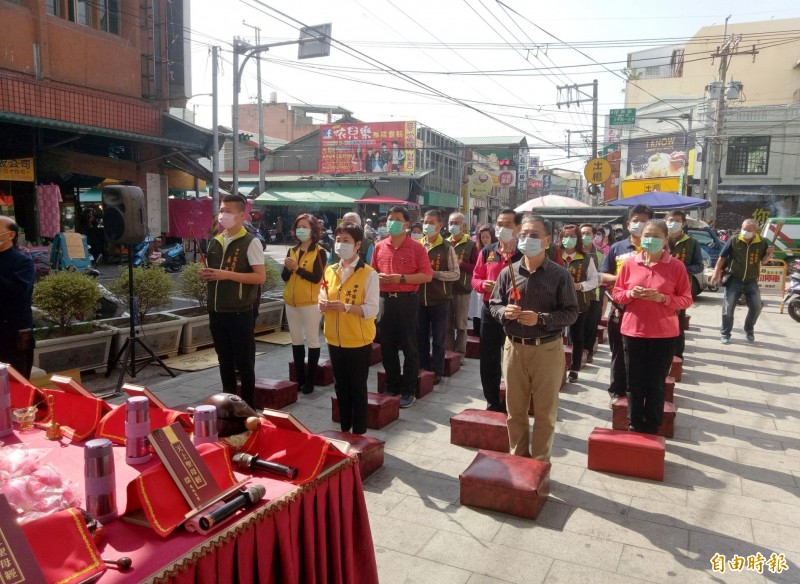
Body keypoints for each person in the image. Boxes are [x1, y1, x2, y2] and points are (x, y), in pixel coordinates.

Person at [489, 214, 579, 460]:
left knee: (544, 413)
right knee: (514, 411)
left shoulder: (560, 275)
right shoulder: (508, 272)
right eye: (524, 234)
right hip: (514, 349)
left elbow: (571, 313)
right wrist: (504, 312)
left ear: (547, 241)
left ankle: (540, 463)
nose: (527, 239)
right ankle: (518, 458)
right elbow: (494, 304)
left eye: (534, 235)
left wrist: (542, 319)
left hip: (546, 350)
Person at [612, 219, 693, 433]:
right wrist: (630, 294)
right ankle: (634, 422)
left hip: (664, 334)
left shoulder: (676, 266)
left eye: (656, 236)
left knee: (656, 382)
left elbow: (686, 299)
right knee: (634, 381)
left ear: (666, 240)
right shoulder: (630, 263)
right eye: (647, 235)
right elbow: (617, 293)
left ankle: (653, 424)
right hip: (633, 331)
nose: (650, 240)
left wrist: (662, 298)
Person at [201, 194, 266, 408]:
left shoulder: (251, 241)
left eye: (228, 211)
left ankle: (248, 407)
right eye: (221, 210)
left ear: (240, 214)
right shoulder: (215, 241)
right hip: (216, 310)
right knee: (224, 361)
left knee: (244, 362)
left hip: (240, 311)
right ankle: (228, 405)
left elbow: (259, 277)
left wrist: (224, 274)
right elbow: (216, 274)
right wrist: (209, 275)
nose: (223, 215)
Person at [319, 222, 380, 434]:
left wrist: (345, 307)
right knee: (340, 387)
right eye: (338, 240)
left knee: (357, 388)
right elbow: (323, 295)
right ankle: (345, 429)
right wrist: (322, 305)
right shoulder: (330, 270)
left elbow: (372, 309)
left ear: (358, 245)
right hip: (333, 338)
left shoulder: (368, 274)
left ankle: (359, 433)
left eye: (346, 241)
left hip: (358, 340)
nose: (341, 245)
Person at [371, 206, 433, 408]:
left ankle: (408, 390)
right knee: (387, 346)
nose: (392, 222)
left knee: (409, 347)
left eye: (397, 219)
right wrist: (377, 278)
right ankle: (392, 386)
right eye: (390, 219)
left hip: (407, 300)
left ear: (406, 224)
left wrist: (401, 278)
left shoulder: (417, 248)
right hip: (384, 300)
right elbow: (371, 272)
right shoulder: (379, 246)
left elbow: (426, 275)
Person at [601, 204, 654, 404]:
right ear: (628, 223)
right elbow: (603, 275)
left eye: (644, 221)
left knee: (642, 354)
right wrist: (622, 279)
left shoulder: (657, 248)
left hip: (646, 310)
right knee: (618, 351)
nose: (639, 225)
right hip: (619, 307)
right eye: (635, 221)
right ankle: (617, 389)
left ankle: (640, 391)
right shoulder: (617, 248)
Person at [472, 209, 523, 412]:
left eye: (508, 224)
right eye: (499, 224)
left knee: (515, 359)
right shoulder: (488, 251)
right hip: (490, 309)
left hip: (515, 312)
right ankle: (492, 401)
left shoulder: (524, 253)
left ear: (517, 228)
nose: (502, 228)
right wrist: (482, 284)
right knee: (489, 358)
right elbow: (475, 277)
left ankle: (515, 400)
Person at [282, 214, 328, 394]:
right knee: (296, 340)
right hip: (291, 302)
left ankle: (310, 380)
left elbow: (316, 278)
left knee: (312, 340)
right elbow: (285, 277)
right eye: (298, 226)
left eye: (305, 226)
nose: (301, 229)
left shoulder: (320, 252)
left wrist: (297, 269)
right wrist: (287, 268)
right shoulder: (292, 250)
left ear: (313, 230)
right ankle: (300, 378)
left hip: (310, 303)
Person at [710, 218, 773, 344]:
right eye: (744, 229)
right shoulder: (734, 240)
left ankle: (749, 329)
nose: (745, 231)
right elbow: (722, 257)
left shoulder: (762, 242)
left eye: (749, 230)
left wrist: (768, 255)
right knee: (728, 309)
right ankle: (725, 333)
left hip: (751, 281)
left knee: (756, 307)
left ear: (756, 231)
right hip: (734, 279)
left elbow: (763, 261)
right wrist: (715, 272)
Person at [418, 209, 460, 384]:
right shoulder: (417, 245)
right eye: (425, 222)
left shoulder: (446, 247)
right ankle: (423, 367)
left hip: (440, 299)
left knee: (438, 338)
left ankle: (437, 370)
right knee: (420, 337)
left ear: (440, 225)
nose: (427, 225)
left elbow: (455, 274)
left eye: (431, 222)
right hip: (419, 299)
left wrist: (435, 274)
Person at [555, 224, 599, 382]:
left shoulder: (586, 258)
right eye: (565, 236)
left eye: (573, 236)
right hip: (556, 304)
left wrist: (580, 286)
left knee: (577, 336)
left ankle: (574, 368)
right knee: (555, 335)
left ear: (578, 239)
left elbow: (594, 280)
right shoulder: (555, 256)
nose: (568, 239)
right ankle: (557, 366)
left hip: (579, 303)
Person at [0, 217, 35, 378]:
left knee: (16, 383)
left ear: (10, 235)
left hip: (13, 334)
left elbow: (17, 292)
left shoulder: (23, 262)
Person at [666, 210, 704, 359]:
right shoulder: (660, 238)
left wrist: (681, 269)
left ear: (683, 223)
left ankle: (677, 357)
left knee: (678, 324)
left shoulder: (692, 242)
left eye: (677, 220)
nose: (673, 223)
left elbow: (699, 266)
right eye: (671, 220)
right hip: (660, 286)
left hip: (680, 288)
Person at [446, 212, 477, 357]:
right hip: (445, 290)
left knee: (461, 325)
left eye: (456, 223)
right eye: (451, 223)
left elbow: (475, 268)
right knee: (447, 325)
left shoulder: (470, 244)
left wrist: (461, 264)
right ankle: (449, 352)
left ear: (463, 226)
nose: (453, 226)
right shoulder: (445, 243)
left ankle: (460, 353)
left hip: (462, 290)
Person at [580, 224, 604, 364]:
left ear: (594, 235)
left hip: (593, 295)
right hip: (576, 296)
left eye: (588, 233)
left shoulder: (600, 254)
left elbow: (603, 274)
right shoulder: (574, 253)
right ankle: (576, 352)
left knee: (590, 325)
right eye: (582, 233)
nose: (584, 236)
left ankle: (588, 351)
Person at [468, 224, 496, 338]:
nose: (484, 240)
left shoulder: (495, 251)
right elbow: (476, 273)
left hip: (491, 291)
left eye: (487, 237)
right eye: (482, 237)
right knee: (476, 311)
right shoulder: (479, 250)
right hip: (479, 287)